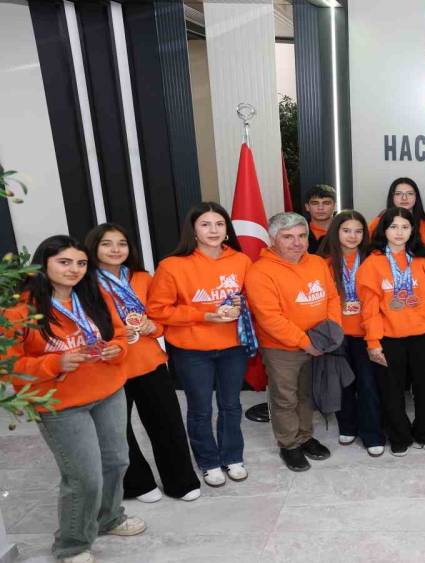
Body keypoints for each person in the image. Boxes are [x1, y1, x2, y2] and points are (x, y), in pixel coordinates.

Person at [5, 235, 145, 563]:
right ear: (43, 265)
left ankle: (109, 518)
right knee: (84, 476)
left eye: (81, 263)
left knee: (117, 461)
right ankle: (72, 544)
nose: (74, 270)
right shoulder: (19, 311)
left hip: (108, 391)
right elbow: (8, 366)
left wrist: (116, 349)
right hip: (61, 405)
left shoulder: (93, 296)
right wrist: (55, 363)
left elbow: (120, 335)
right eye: (64, 262)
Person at [85, 224, 201, 503]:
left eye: (122, 243)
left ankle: (180, 481)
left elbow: (160, 316)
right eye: (107, 244)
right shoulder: (85, 283)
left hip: (149, 361)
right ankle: (136, 484)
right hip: (110, 366)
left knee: (167, 423)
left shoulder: (142, 278)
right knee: (118, 430)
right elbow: (84, 325)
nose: (115, 249)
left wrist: (153, 327)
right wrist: (118, 333)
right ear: (93, 248)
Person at [147, 202, 253, 487]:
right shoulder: (172, 265)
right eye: (205, 224)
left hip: (233, 347)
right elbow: (158, 310)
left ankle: (232, 456)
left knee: (231, 405)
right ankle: (208, 461)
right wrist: (204, 315)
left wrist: (242, 306)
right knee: (200, 408)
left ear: (227, 230)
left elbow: (251, 298)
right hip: (192, 351)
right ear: (193, 231)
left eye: (219, 224)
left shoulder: (241, 261)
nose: (213, 230)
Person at [245, 212, 341, 472]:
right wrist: (305, 342)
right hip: (282, 349)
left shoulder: (317, 263)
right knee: (285, 399)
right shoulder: (260, 272)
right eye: (288, 237)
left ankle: (305, 436)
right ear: (273, 239)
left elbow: (332, 298)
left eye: (302, 236)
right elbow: (270, 318)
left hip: (318, 343)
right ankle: (289, 445)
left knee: (306, 395)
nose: (297, 243)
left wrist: (330, 332)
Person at [357, 207, 425, 456]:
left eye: (405, 227)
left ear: (413, 231)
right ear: (384, 230)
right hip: (389, 337)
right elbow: (369, 309)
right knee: (391, 388)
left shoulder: (424, 259)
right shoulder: (372, 263)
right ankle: (399, 435)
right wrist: (373, 341)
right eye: (393, 227)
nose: (399, 232)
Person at [317, 210, 386, 457]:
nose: (352, 236)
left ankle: (372, 433)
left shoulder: (373, 259)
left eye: (358, 231)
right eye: (346, 230)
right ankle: (347, 425)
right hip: (336, 333)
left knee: (368, 384)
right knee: (342, 383)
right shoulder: (323, 262)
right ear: (336, 232)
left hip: (366, 332)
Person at [369, 178, 425, 252]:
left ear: (416, 197)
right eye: (398, 194)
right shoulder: (376, 225)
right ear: (392, 197)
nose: (404, 198)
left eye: (410, 193)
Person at [305, 184, 338, 253]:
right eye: (315, 203)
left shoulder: (345, 230)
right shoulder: (298, 230)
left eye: (326, 203)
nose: (320, 208)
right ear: (307, 207)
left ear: (335, 206)